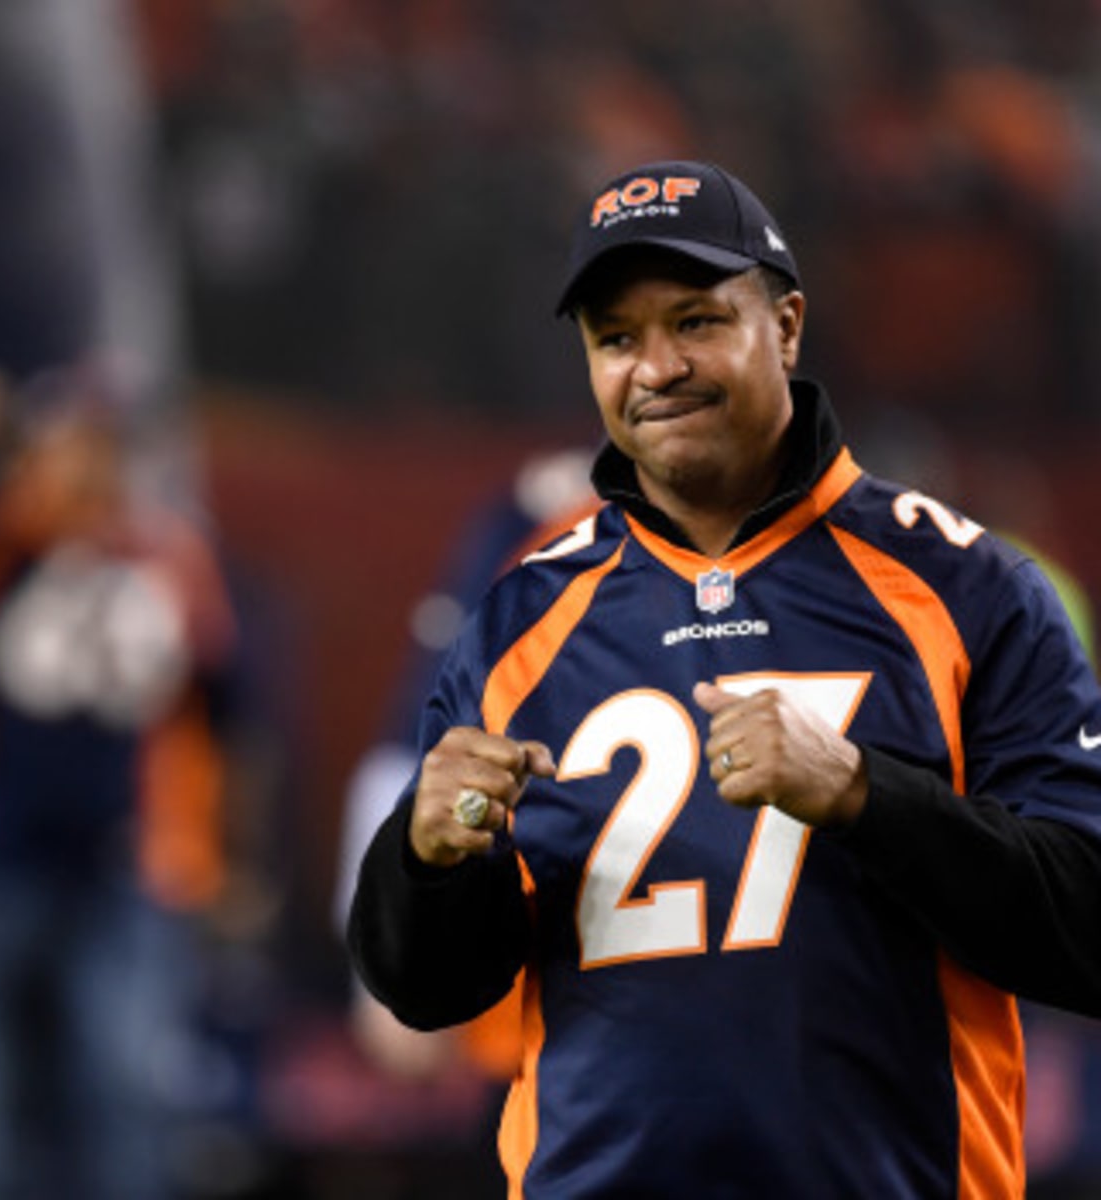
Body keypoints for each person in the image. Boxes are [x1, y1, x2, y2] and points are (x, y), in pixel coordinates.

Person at [347, 159, 1101, 1199]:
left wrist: (862, 794)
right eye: (617, 338)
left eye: (696, 321)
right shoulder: (518, 617)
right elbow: (430, 988)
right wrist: (423, 862)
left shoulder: (969, 588)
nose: (656, 367)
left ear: (786, 327)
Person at [0, 365, 237, 1200]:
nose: (89, 468)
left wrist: (232, 858)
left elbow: (228, 711)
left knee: (126, 1105)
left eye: (106, 448)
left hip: (129, 869)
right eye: (71, 444)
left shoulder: (169, 554)